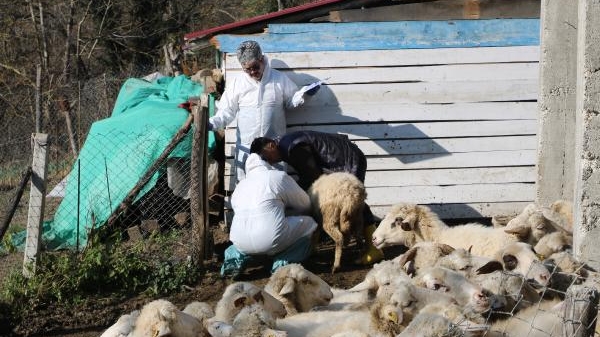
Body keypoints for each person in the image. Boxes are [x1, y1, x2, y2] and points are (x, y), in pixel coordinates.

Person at [249, 130, 384, 265]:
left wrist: (292, 191)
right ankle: (360, 244)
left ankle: (374, 249)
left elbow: (313, 175)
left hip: (348, 159)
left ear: (271, 145)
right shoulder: (287, 145)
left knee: (353, 200)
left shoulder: (292, 148)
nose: (270, 162)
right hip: (343, 158)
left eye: (266, 158)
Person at [208, 40, 320, 181]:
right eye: (247, 69)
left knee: (275, 185)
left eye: (255, 67)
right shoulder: (238, 84)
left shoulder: (278, 79)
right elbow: (226, 111)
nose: (252, 72)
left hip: (273, 149)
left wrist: (305, 94)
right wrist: (212, 123)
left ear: (261, 59)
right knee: (246, 186)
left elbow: (291, 101)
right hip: (247, 148)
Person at [220, 153, 318, 279]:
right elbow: (304, 204)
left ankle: (233, 262)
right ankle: (282, 264)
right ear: (266, 163)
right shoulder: (277, 176)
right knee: (311, 224)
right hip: (271, 239)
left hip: (240, 242)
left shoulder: (240, 186)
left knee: (241, 243)